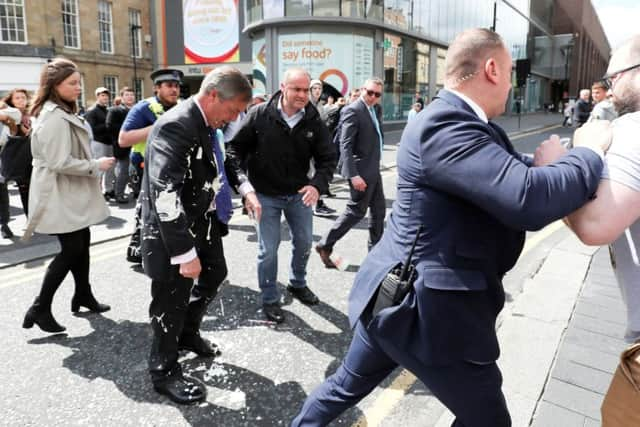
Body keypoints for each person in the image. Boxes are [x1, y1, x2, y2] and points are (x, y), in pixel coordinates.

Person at [291, 28, 609, 427]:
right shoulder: (446, 124)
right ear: (491, 69)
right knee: (487, 420)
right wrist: (589, 151)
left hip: (394, 299)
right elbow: (528, 199)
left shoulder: (454, 120)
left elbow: (500, 169)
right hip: (425, 313)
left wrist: (549, 165)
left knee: (343, 386)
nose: (512, 86)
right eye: (510, 74)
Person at [140, 66, 259, 404]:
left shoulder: (205, 122)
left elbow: (214, 167)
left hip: (201, 222)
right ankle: (163, 370)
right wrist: (183, 253)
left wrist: (244, 191)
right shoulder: (177, 124)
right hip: (172, 231)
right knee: (170, 300)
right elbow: (164, 192)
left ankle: (187, 334)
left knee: (216, 273)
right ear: (212, 96)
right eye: (233, 110)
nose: (233, 119)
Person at [546, 35, 640, 344]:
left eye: (616, 76)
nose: (610, 87)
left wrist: (558, 169)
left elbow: (594, 226)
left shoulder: (634, 128)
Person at [227, 67, 336, 324]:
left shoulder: (313, 118)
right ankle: (270, 299)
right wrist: (245, 189)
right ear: (283, 87)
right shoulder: (259, 113)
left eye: (305, 89)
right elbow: (233, 151)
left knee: (304, 243)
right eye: (296, 89)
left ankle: (297, 283)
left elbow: (328, 158)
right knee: (268, 251)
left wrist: (317, 185)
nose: (301, 95)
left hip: (299, 194)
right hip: (265, 195)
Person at [21, 58, 115, 334]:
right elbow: (59, 162)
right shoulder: (53, 118)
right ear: (54, 85)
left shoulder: (63, 111)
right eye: (72, 83)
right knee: (72, 250)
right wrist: (95, 166)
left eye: (78, 82)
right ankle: (40, 307)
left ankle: (83, 294)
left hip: (70, 190)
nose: (78, 87)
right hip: (58, 191)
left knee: (82, 242)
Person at [315, 77, 386, 268]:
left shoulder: (376, 109)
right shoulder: (352, 110)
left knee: (379, 211)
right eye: (369, 92)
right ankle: (324, 244)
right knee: (356, 211)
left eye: (377, 94)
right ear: (362, 89)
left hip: (373, 169)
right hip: (360, 171)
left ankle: (375, 255)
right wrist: (353, 175)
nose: (372, 97)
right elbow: (345, 145)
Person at [119, 68, 183, 264]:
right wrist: (159, 125)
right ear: (157, 88)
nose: (174, 90)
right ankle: (141, 250)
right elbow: (123, 139)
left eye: (177, 86)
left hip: (173, 167)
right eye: (169, 85)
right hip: (144, 167)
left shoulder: (182, 106)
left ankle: (166, 249)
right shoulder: (143, 108)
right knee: (146, 210)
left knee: (170, 209)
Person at [309, 78, 337, 216]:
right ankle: (316, 204)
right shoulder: (306, 104)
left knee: (316, 174)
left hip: (317, 144)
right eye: (314, 88)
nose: (317, 91)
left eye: (319, 88)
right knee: (312, 174)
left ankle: (316, 203)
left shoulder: (319, 105)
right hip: (307, 145)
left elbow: (323, 121)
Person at [106, 87, 136, 203]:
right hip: (123, 146)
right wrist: (129, 130)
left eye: (131, 94)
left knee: (136, 171)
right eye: (127, 95)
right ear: (122, 97)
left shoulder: (137, 109)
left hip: (138, 145)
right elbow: (110, 126)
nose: (130, 97)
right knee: (124, 171)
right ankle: (119, 194)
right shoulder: (115, 110)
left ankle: (136, 190)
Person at [85, 87, 114, 200]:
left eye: (106, 96)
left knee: (110, 168)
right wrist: (108, 124)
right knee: (99, 168)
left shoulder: (108, 110)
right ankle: (97, 192)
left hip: (109, 142)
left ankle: (109, 190)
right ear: (97, 96)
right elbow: (92, 129)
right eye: (102, 95)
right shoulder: (92, 111)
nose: (105, 97)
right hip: (98, 142)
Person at [0, 102, 22, 238]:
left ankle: (4, 224)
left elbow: (17, 114)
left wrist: (3, 112)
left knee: (2, 194)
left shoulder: (8, 121)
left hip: (2, 159)